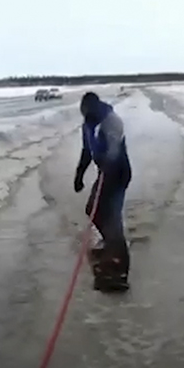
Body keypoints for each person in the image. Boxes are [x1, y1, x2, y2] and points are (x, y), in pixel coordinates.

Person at [73, 91, 132, 290]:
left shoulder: (112, 121)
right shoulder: (87, 125)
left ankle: (120, 270)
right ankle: (111, 245)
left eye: (89, 113)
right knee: (93, 210)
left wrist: (108, 162)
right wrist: (79, 174)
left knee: (113, 217)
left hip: (118, 173)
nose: (87, 116)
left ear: (96, 108)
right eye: (84, 114)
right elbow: (87, 151)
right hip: (104, 174)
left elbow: (114, 149)